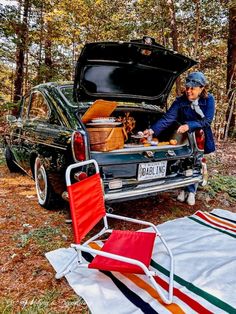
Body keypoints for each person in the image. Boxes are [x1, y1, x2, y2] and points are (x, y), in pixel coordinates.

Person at [143, 71, 215, 206]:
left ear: (202, 88)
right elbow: (167, 118)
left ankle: (191, 191)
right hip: (183, 135)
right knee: (183, 160)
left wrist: (189, 125)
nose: (188, 91)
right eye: (187, 88)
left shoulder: (209, 100)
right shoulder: (180, 101)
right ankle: (183, 188)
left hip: (200, 134)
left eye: (192, 89)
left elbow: (207, 121)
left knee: (196, 160)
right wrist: (152, 130)